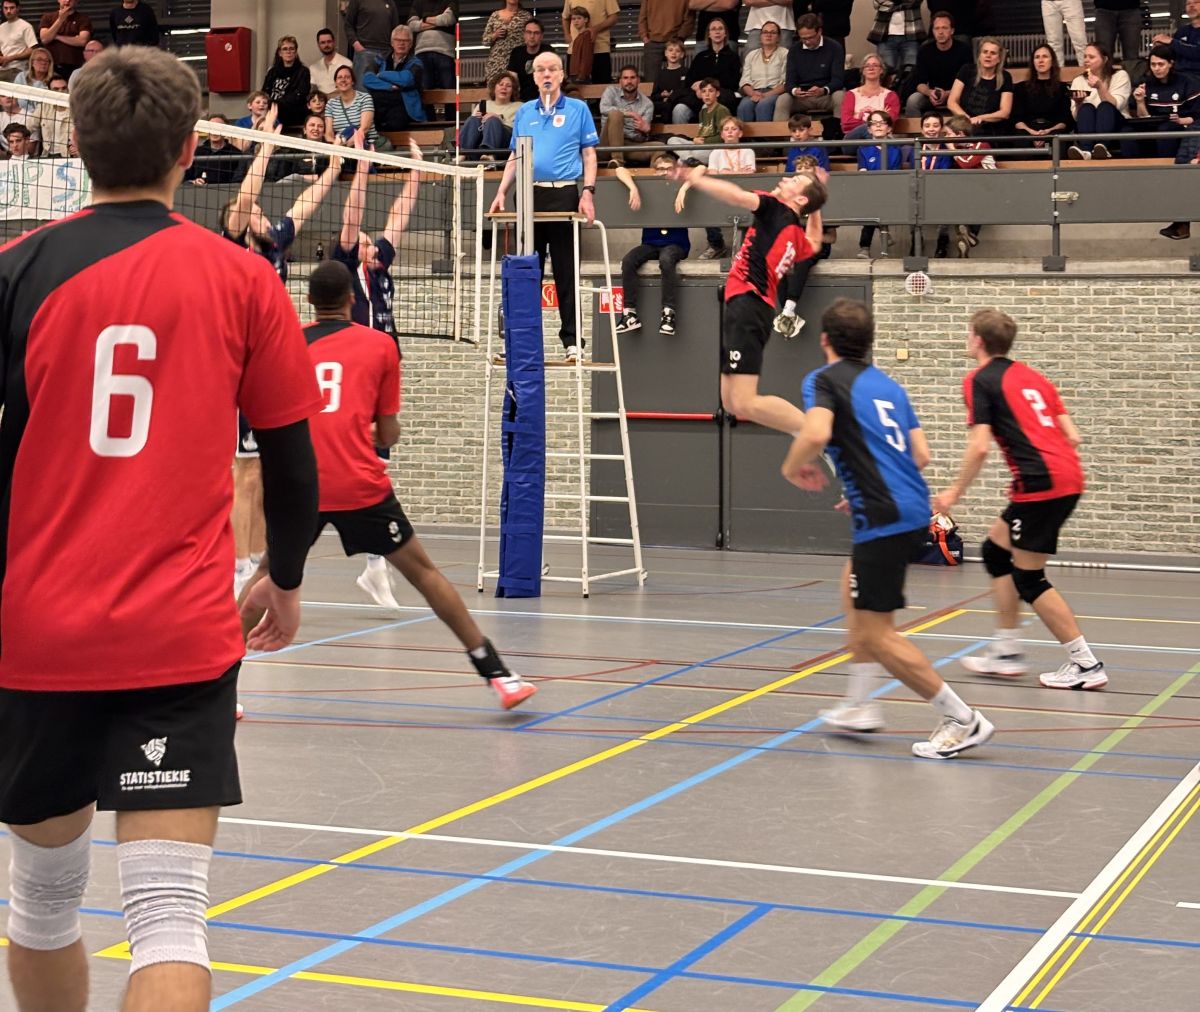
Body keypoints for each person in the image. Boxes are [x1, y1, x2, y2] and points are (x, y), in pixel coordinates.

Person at [0, 45, 321, 1012]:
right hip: (178, 635)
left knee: (41, 905)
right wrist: (285, 576)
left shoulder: (16, 270)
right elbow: (292, 463)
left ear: (76, 144)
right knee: (171, 920)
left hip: (38, 633)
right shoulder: (243, 279)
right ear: (190, 149)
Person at [240, 262, 538, 711]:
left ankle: (213, 688)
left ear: (309, 302)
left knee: (266, 577)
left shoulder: (288, 345)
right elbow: (390, 433)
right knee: (424, 574)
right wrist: (366, 428)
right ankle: (498, 674)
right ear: (351, 299)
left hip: (299, 484)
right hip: (357, 485)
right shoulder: (380, 346)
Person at [782, 299, 995, 759]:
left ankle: (963, 719)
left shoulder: (823, 380)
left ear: (824, 340)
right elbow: (920, 455)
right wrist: (871, 484)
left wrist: (791, 466)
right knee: (853, 591)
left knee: (878, 634)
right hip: (913, 508)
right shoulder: (890, 387)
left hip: (884, 514)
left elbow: (815, 433)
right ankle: (859, 704)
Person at [933, 309, 1106, 692]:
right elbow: (1073, 435)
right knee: (996, 552)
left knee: (1029, 578)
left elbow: (979, 447)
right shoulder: (1034, 377)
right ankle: (1007, 651)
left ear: (978, 340)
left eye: (968, 334)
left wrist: (953, 492)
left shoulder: (979, 380)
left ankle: (1086, 664)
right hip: (1064, 475)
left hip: (1042, 483)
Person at [223, 108, 343, 596]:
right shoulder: (236, 246)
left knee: (263, 473)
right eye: (253, 211)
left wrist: (336, 164)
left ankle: (253, 559)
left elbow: (306, 203)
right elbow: (245, 195)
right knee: (245, 473)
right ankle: (237, 564)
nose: (260, 213)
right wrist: (267, 147)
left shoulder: (275, 245)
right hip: (240, 365)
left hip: (270, 364)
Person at [670, 159, 826, 433]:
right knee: (732, 403)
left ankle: (815, 434)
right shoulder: (793, 230)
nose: (786, 178)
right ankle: (804, 431)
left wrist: (696, 180)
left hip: (748, 304)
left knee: (745, 401)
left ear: (800, 198)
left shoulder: (774, 208)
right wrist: (815, 208)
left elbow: (736, 196)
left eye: (794, 180)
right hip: (747, 306)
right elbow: (814, 243)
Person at [489, 51, 598, 361]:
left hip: (564, 195)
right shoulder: (525, 112)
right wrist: (501, 191)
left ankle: (573, 342)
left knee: (566, 271)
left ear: (561, 74)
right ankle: (520, 342)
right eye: (540, 70)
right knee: (526, 273)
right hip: (528, 197)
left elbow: (589, 154)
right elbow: (515, 156)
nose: (546, 74)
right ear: (534, 77)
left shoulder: (578, 109)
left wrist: (587, 192)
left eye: (552, 69)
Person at [616, 151, 690, 336]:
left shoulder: (677, 184)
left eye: (668, 169)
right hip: (651, 243)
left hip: (676, 244)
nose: (664, 172)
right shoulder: (648, 186)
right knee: (628, 261)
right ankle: (629, 314)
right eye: (660, 169)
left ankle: (668, 314)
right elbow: (619, 170)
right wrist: (633, 188)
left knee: (666, 260)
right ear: (654, 171)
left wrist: (683, 189)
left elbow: (702, 169)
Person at [1130, 44, 1200, 159]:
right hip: (1153, 126)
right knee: (1128, 131)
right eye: (1153, 64)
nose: (1156, 68)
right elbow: (1144, 117)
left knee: (1166, 128)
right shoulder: (1146, 84)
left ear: (1171, 63)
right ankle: (1131, 166)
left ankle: (1165, 165)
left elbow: (1196, 116)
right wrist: (1140, 101)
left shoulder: (1187, 82)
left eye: (1161, 64)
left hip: (1178, 126)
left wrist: (1180, 120)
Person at [1066, 43, 1132, 159]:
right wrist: (1078, 103)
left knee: (1105, 106)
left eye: (1091, 57)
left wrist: (1100, 87)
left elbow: (1116, 106)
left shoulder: (1120, 75)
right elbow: (1075, 117)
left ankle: (1102, 147)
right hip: (1088, 129)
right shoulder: (1078, 80)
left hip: (1116, 126)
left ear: (1105, 59)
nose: (1086, 60)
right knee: (1086, 108)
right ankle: (1086, 151)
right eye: (1085, 56)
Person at [777, 12, 845, 121]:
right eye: (803, 38)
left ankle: (839, 130)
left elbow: (838, 80)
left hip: (826, 95)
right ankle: (780, 132)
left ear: (819, 31)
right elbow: (789, 82)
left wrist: (824, 90)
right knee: (783, 100)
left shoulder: (834, 47)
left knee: (840, 96)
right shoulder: (794, 50)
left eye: (811, 37)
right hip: (802, 97)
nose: (807, 42)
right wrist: (795, 91)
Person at [905, 10, 973, 117]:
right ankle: (920, 128)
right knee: (913, 101)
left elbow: (969, 82)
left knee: (969, 99)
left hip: (957, 95)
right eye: (937, 28)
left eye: (944, 28)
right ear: (933, 31)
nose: (940, 32)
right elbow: (918, 82)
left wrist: (947, 94)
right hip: (933, 95)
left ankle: (964, 127)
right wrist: (930, 92)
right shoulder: (925, 50)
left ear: (952, 31)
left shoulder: (964, 50)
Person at [672, 17, 741, 121]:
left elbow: (733, 83)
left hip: (721, 97)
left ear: (725, 33)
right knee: (679, 109)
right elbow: (689, 80)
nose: (717, 32)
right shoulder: (700, 57)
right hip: (698, 97)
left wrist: (707, 86)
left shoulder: (733, 57)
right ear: (709, 34)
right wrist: (698, 89)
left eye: (720, 28)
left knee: (707, 107)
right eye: (713, 29)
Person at [856, 110, 903, 257]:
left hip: (889, 189)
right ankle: (879, 236)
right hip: (870, 189)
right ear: (869, 129)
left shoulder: (895, 150)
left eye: (882, 123)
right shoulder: (863, 149)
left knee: (876, 206)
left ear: (889, 128)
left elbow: (895, 173)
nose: (878, 126)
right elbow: (863, 171)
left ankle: (866, 246)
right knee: (871, 208)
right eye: (874, 123)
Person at [946, 36, 1013, 139]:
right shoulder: (967, 70)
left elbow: (1005, 112)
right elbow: (951, 102)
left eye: (993, 53)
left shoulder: (1005, 77)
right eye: (985, 52)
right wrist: (967, 119)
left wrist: (980, 118)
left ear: (999, 59)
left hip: (991, 129)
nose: (988, 56)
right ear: (979, 56)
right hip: (964, 126)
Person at [364, 24, 426, 131]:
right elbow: (367, 79)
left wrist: (382, 75)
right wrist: (389, 86)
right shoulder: (380, 59)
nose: (401, 43)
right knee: (369, 117)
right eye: (398, 40)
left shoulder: (416, 63)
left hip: (404, 106)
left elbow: (406, 79)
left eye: (405, 40)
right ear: (392, 43)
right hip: (381, 104)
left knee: (395, 123)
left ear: (411, 44)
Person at [1012, 43, 1074, 150]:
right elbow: (1016, 119)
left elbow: (1065, 120)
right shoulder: (1020, 88)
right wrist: (1032, 133)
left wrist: (1047, 132)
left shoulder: (1062, 88)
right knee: (1020, 139)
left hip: (1053, 131)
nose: (1040, 60)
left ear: (1052, 61)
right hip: (1027, 131)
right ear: (1033, 62)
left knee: (1059, 139)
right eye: (1037, 57)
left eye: (1045, 56)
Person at [459, 70, 521, 160]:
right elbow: (471, 126)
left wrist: (499, 118)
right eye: (501, 84)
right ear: (494, 88)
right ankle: (463, 153)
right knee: (473, 119)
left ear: (513, 90)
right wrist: (480, 119)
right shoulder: (484, 104)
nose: (504, 88)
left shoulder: (519, 106)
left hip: (504, 142)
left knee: (493, 120)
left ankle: (489, 154)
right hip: (480, 142)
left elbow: (520, 129)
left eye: (508, 86)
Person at [667, 76, 731, 163]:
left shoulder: (721, 110)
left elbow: (724, 136)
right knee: (672, 140)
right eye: (704, 91)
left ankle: (688, 159)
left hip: (714, 148)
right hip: (702, 145)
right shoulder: (702, 112)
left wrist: (703, 141)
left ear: (717, 93)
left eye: (711, 91)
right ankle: (689, 158)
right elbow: (703, 133)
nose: (707, 94)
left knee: (681, 162)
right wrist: (696, 139)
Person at [600, 64, 655, 165]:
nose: (629, 81)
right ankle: (618, 162)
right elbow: (603, 109)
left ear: (638, 80)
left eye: (632, 78)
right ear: (620, 81)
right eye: (625, 78)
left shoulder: (647, 104)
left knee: (660, 147)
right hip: (607, 145)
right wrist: (630, 114)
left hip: (629, 145)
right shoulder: (611, 91)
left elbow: (640, 136)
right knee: (615, 114)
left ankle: (659, 171)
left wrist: (646, 131)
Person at [841, 54, 900, 143]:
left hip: (883, 139)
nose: (871, 68)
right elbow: (846, 124)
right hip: (854, 141)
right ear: (863, 71)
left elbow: (890, 122)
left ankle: (873, 150)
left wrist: (859, 117)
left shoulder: (890, 95)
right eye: (867, 66)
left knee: (876, 133)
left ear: (881, 70)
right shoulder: (851, 95)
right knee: (867, 129)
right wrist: (878, 119)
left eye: (875, 65)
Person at [738, 19, 788, 122]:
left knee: (763, 105)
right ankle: (744, 134)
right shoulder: (751, 55)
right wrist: (753, 93)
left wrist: (765, 95)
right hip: (754, 92)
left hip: (774, 92)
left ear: (778, 37)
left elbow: (785, 82)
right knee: (744, 107)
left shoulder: (785, 53)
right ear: (760, 36)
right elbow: (745, 81)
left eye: (773, 32)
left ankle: (764, 133)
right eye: (765, 32)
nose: (768, 35)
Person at [345, 0, 403, 87]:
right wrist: (356, 44)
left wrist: (394, 50)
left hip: (386, 53)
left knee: (385, 89)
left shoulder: (390, 2)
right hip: (364, 50)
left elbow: (395, 29)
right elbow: (348, 25)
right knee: (362, 89)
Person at [562, 0, 619, 84]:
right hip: (574, 51)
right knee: (575, 86)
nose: (576, 20)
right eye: (574, 19)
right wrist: (567, 34)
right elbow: (565, 17)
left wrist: (595, 29)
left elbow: (614, 17)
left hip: (600, 50)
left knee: (601, 85)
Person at [409, 0, 458, 96]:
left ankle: (450, 107)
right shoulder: (418, 2)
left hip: (445, 52)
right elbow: (412, 25)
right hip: (421, 51)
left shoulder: (450, 1)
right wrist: (438, 22)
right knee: (424, 92)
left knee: (449, 90)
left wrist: (424, 19)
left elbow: (448, 19)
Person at [262, 35, 311, 131]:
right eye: (285, 49)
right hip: (271, 115)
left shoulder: (303, 71)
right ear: (280, 53)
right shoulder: (272, 72)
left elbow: (299, 95)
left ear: (296, 52)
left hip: (293, 116)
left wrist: (275, 104)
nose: (288, 52)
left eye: (291, 49)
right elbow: (264, 92)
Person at [326, 65, 381, 148]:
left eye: (347, 77)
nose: (343, 80)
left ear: (353, 81)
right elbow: (328, 134)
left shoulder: (365, 98)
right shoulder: (331, 103)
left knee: (354, 129)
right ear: (336, 83)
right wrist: (336, 146)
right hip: (340, 146)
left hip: (365, 145)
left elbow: (364, 128)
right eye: (339, 77)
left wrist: (345, 147)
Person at [867, 0, 925, 77]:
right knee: (885, 73)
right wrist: (902, 3)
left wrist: (893, 3)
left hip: (912, 34)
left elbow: (915, 2)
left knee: (911, 72)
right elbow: (878, 3)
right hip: (885, 36)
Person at [185, 113, 245, 185]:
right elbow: (185, 179)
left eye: (218, 128)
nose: (214, 131)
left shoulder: (236, 154)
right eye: (211, 128)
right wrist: (193, 182)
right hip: (198, 191)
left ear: (226, 131)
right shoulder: (195, 152)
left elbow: (238, 182)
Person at [37, 0, 91, 79]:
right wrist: (60, 20)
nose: (67, 1)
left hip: (75, 65)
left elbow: (83, 41)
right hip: (52, 66)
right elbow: (45, 39)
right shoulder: (47, 17)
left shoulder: (83, 19)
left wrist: (57, 36)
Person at [640, 0, 693, 78]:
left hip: (675, 41)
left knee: (677, 77)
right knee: (651, 80)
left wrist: (680, 38)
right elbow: (642, 17)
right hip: (653, 42)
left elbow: (689, 18)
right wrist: (644, 36)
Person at [483, 0, 531, 84]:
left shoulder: (526, 16)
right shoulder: (495, 15)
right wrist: (495, 35)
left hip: (517, 62)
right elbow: (485, 41)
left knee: (516, 88)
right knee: (496, 89)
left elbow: (531, 38)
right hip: (496, 63)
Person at [507, 18, 554, 101]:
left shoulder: (548, 51)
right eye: (529, 32)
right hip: (522, 98)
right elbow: (512, 78)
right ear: (524, 35)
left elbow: (553, 77)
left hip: (544, 97)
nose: (532, 36)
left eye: (536, 33)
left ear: (541, 36)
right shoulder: (517, 52)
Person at [1153, 0, 1200, 79]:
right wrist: (1162, 47)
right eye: (1188, 3)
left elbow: (1197, 52)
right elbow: (1173, 52)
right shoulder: (1182, 31)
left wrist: (1172, 42)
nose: (1191, 6)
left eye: (1196, 2)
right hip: (1178, 75)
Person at [1094, 0, 1144, 70]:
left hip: (1131, 9)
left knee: (1131, 58)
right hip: (1103, 9)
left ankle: (1131, 77)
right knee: (1104, 55)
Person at [26, 74, 68, 155]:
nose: (61, 92)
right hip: (48, 155)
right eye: (56, 89)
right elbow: (28, 126)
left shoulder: (77, 109)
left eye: (64, 88)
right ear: (49, 91)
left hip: (69, 156)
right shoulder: (44, 107)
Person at [652, 36, 690, 122]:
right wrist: (662, 95)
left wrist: (671, 96)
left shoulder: (686, 72)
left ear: (682, 54)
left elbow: (686, 92)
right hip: (664, 105)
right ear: (665, 53)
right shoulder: (660, 74)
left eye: (677, 51)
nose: (674, 53)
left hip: (679, 103)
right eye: (670, 50)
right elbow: (654, 95)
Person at [308, 26, 353, 95]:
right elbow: (312, 91)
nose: (326, 45)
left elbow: (347, 89)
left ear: (334, 42)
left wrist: (326, 97)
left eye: (329, 41)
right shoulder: (313, 68)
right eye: (323, 42)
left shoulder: (346, 63)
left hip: (340, 100)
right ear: (318, 45)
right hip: (320, 101)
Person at [1041, 0, 1088, 67]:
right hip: (1048, 2)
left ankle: (1087, 71)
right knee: (1053, 43)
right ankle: (1057, 72)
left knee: (1080, 41)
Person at [0, 1, 37, 84]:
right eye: (6, 8)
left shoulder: (25, 26)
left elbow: (32, 50)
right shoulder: (1, 27)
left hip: (18, 69)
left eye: (12, 8)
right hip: (2, 69)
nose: (8, 11)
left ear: (18, 8)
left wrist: (9, 58)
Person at [13, 44, 52, 109]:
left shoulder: (53, 80)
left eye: (46, 60)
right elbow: (14, 99)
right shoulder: (21, 77)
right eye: (39, 59)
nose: (43, 63)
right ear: (32, 62)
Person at [566, 6, 595, 83]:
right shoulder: (579, 37)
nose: (576, 21)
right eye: (573, 19)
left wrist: (581, 76)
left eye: (579, 18)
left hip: (580, 76)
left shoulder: (586, 35)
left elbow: (586, 56)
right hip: (575, 74)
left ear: (586, 19)